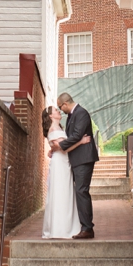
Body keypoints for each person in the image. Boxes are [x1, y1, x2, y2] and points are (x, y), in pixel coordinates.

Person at [57, 92, 98, 240]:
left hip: (84, 159)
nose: (61, 110)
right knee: (80, 191)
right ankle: (84, 226)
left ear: (65, 103)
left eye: (60, 107)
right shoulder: (72, 115)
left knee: (81, 191)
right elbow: (74, 137)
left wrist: (59, 145)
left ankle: (87, 228)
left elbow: (76, 135)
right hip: (77, 159)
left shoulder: (81, 113)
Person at [40, 106, 81, 239]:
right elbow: (65, 149)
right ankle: (60, 229)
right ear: (51, 116)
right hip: (60, 164)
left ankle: (65, 226)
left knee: (66, 192)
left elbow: (60, 147)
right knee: (60, 193)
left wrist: (52, 150)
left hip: (64, 162)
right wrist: (81, 141)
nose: (59, 111)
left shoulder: (59, 129)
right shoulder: (53, 130)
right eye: (56, 111)